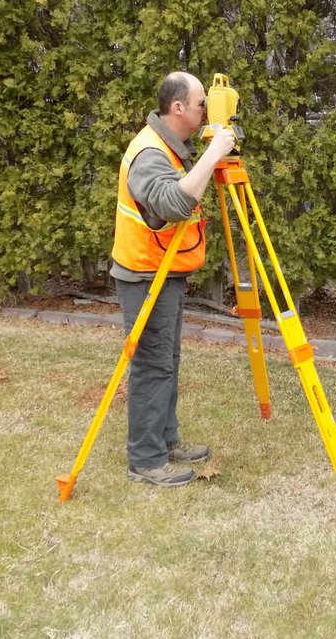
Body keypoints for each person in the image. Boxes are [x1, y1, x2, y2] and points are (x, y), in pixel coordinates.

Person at [110, 71, 237, 488]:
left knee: (167, 360)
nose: (207, 110)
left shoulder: (170, 146)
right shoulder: (150, 152)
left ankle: (165, 440)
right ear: (178, 107)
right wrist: (213, 153)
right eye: (203, 104)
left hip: (164, 270)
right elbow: (172, 204)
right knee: (153, 364)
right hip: (145, 274)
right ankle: (145, 460)